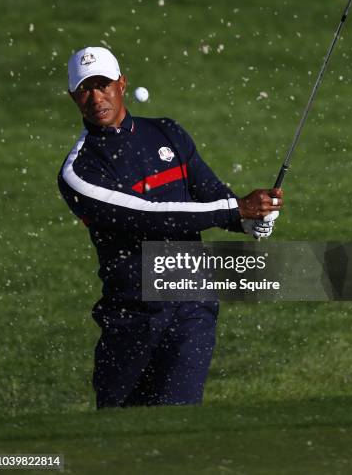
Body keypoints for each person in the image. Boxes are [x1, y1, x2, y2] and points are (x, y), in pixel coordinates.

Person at [58, 46, 283, 409]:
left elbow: (212, 195)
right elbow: (147, 215)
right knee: (118, 436)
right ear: (73, 96)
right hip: (131, 316)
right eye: (85, 89)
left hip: (190, 305)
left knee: (176, 424)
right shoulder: (79, 172)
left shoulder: (167, 133)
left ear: (122, 83)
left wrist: (250, 221)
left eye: (103, 85)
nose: (96, 97)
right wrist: (235, 208)